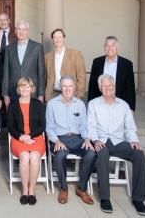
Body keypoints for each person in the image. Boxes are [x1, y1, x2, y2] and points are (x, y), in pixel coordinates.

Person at [87, 74, 145, 215]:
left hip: (119, 141)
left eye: (110, 86)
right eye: (104, 86)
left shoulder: (124, 105)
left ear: (113, 87)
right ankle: (105, 198)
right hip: (101, 141)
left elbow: (130, 128)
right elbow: (90, 127)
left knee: (139, 154)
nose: (107, 88)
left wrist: (134, 141)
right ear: (99, 88)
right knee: (102, 154)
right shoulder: (93, 104)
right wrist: (95, 140)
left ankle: (138, 199)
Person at [45, 75, 96, 205]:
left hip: (78, 138)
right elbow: (49, 127)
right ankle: (64, 188)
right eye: (65, 86)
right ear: (60, 88)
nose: (67, 89)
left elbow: (84, 127)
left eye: (70, 86)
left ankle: (82, 188)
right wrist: (56, 141)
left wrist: (87, 139)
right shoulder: (52, 104)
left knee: (91, 153)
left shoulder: (80, 104)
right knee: (60, 155)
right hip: (60, 138)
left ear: (74, 87)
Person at [7, 77, 45, 205]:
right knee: (24, 157)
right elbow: (10, 126)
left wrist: (30, 136)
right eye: (22, 86)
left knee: (34, 157)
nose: (24, 89)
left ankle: (32, 191)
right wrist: (21, 137)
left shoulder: (38, 104)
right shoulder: (13, 105)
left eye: (27, 87)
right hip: (19, 138)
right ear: (18, 89)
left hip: (36, 138)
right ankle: (24, 191)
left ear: (31, 89)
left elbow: (42, 126)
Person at [2, 21, 45, 107]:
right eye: (19, 29)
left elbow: (41, 72)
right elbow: (6, 72)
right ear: (16, 31)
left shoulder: (37, 47)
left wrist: (41, 94)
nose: (21, 32)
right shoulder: (8, 49)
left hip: (32, 92)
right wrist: (5, 94)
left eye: (24, 29)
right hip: (13, 91)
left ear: (28, 31)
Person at [88, 36, 135, 112]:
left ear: (117, 47)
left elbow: (130, 88)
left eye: (113, 45)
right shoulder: (97, 62)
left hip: (119, 103)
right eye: (107, 46)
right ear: (104, 47)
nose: (110, 48)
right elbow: (92, 86)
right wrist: (90, 105)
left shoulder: (127, 64)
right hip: (100, 102)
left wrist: (132, 108)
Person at [44, 28, 86, 102]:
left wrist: (79, 95)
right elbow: (45, 77)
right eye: (55, 37)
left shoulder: (76, 54)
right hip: (53, 95)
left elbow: (81, 76)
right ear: (52, 40)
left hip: (72, 95)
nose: (58, 39)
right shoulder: (47, 56)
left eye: (60, 37)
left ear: (64, 38)